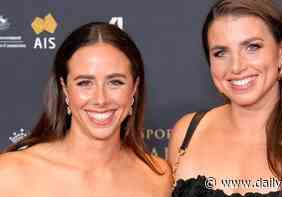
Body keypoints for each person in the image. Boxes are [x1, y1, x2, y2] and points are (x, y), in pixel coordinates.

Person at [168, 0, 282, 196]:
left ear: (281, 52)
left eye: (252, 47)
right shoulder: (187, 132)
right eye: (221, 53)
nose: (236, 67)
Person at [0, 22, 172, 196]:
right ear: (65, 89)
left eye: (115, 82)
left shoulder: (157, 177)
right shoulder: (10, 174)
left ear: (134, 88)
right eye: (84, 83)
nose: (100, 99)